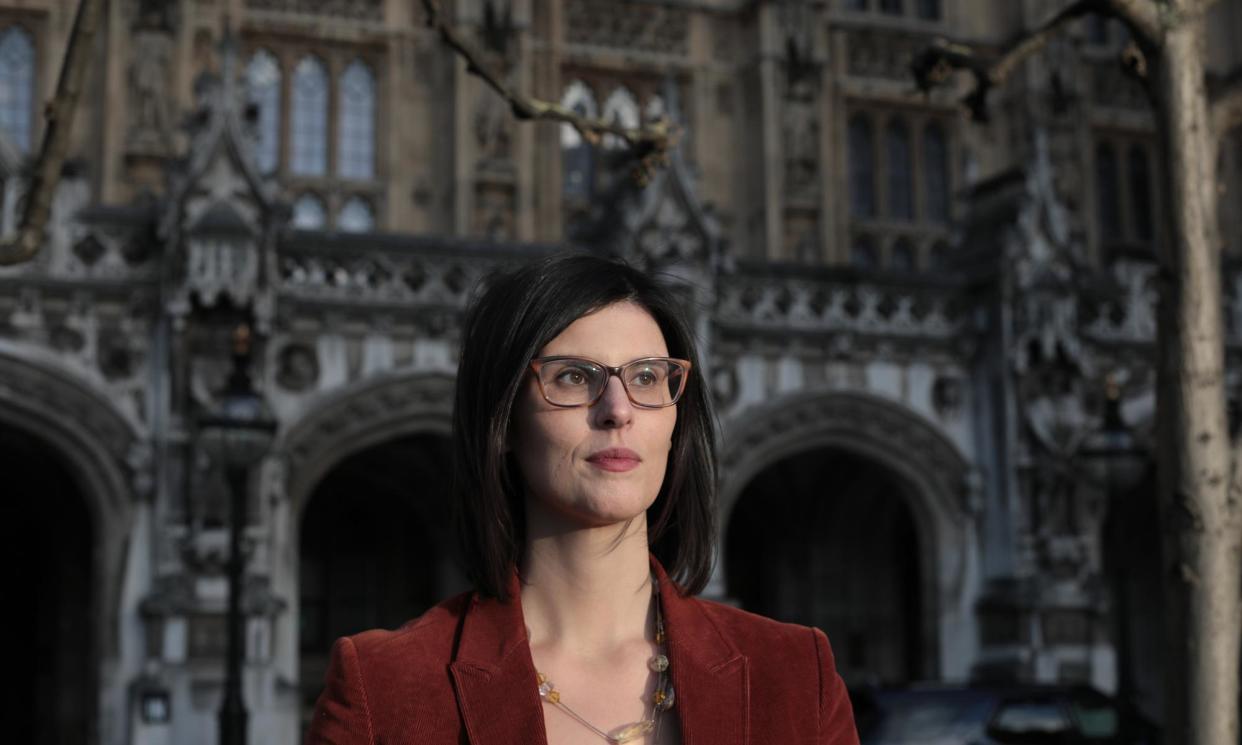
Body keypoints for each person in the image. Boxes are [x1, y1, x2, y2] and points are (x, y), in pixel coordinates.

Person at [305, 253, 859, 745]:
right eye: (574, 377)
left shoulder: (792, 673)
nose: (617, 409)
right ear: (503, 421)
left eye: (647, 377)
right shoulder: (385, 688)